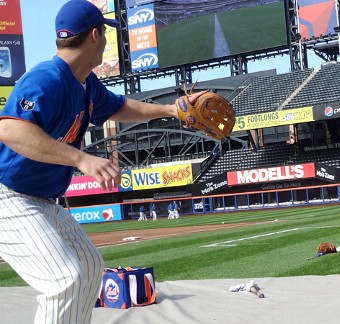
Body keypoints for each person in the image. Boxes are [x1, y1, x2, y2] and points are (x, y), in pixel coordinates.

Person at [0, 1, 206, 323]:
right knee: (65, 279)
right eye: (106, 34)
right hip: (8, 197)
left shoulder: (86, 83)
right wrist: (81, 158)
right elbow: (10, 130)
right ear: (95, 35)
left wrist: (172, 110)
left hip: (41, 200)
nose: (108, 41)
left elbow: (121, 107)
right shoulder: (47, 78)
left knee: (91, 268)